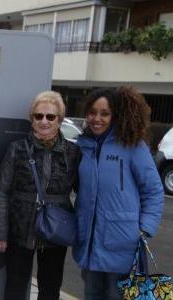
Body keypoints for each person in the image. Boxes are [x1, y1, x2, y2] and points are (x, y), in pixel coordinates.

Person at [73, 87, 164, 300]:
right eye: (92, 112)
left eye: (104, 113)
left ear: (116, 116)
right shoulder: (84, 146)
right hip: (89, 244)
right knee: (91, 294)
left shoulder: (132, 145)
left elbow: (153, 191)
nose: (97, 118)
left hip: (123, 244)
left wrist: (144, 229)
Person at [0, 91, 79, 300]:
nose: (44, 121)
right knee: (15, 285)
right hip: (21, 228)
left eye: (51, 117)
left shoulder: (73, 152)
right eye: (38, 116)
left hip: (57, 230)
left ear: (60, 119)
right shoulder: (17, 149)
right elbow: (2, 190)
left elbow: (84, 193)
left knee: (50, 287)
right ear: (32, 119)